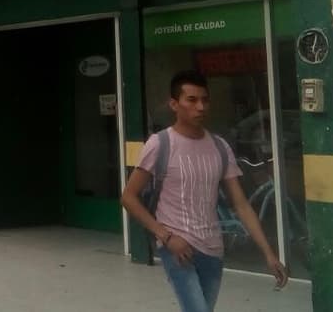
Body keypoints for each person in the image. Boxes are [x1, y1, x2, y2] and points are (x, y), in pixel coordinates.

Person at [121, 70, 289, 312]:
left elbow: (241, 204)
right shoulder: (160, 144)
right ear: (174, 104)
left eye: (205, 100)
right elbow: (128, 197)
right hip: (177, 249)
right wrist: (166, 237)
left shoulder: (220, 147)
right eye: (191, 100)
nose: (200, 107)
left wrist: (268, 253)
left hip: (213, 250)